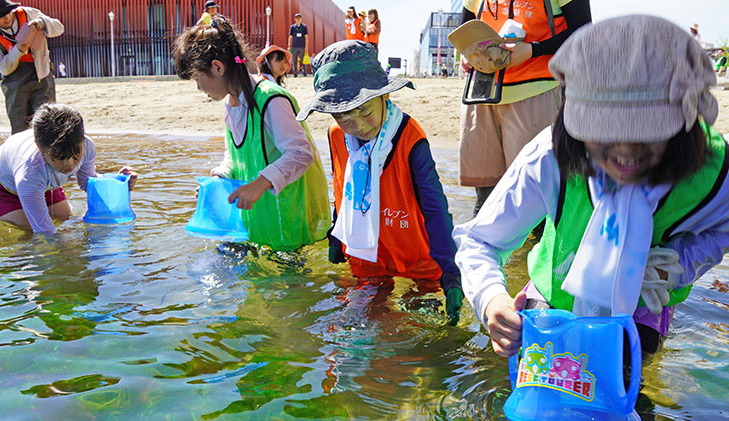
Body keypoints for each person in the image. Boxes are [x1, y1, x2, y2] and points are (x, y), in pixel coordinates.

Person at [453, 15, 729, 357]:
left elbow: (721, 230)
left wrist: (676, 263)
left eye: (648, 131)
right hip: (555, 288)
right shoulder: (550, 156)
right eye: (605, 131)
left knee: (627, 365)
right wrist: (492, 300)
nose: (625, 152)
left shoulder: (715, 173)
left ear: (686, 121)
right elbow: (479, 241)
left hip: (646, 299)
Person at [296, 40, 464, 325]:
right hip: (365, 253)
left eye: (364, 111)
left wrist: (450, 270)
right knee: (363, 320)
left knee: (420, 327)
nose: (358, 126)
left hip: (415, 252)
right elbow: (341, 186)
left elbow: (435, 207)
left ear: (384, 97)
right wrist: (337, 236)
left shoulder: (411, 138)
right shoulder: (337, 135)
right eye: (343, 116)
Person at [172, 16, 331, 252]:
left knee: (291, 281)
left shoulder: (271, 99)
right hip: (261, 218)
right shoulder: (231, 103)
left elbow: (301, 153)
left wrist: (259, 184)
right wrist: (222, 176)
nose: (199, 88)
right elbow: (235, 154)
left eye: (198, 79)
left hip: (289, 218)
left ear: (217, 67)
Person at [451, 0, 591, 215]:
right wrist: (464, 56)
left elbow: (584, 31)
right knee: (485, 198)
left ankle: (534, 248)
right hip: (481, 93)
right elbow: (466, 28)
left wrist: (533, 50)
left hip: (536, 89)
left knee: (535, 195)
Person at [0, 103, 138, 234]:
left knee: (65, 217)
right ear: (39, 146)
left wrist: (116, 182)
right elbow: (43, 229)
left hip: (42, 180)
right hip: (5, 186)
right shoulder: (30, 172)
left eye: (76, 155)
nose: (69, 165)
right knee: (28, 229)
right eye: (59, 157)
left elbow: (86, 182)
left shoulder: (87, 146)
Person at [0, 0, 64, 134]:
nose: (6, 18)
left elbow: (59, 28)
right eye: (0, 16)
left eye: (8, 13)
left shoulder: (29, 13)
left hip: (42, 75)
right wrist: (18, 50)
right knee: (19, 128)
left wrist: (41, 22)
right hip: (14, 81)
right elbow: (3, 68)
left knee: (46, 124)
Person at [287, 13, 309, 77]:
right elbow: (290, 37)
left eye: (299, 18)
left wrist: (306, 47)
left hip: (302, 46)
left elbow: (306, 37)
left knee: (303, 60)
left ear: (301, 19)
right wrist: (289, 45)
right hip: (294, 46)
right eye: (297, 18)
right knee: (294, 61)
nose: (298, 19)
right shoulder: (292, 27)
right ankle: (295, 74)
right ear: (295, 19)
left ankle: (304, 73)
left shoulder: (304, 27)